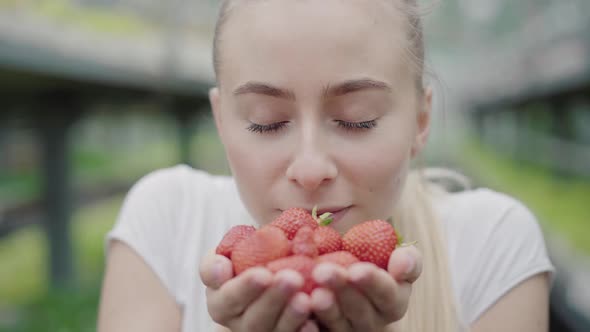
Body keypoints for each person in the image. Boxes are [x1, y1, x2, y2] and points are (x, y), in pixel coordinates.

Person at [97, 0, 555, 331]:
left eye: (358, 120)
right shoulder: (166, 221)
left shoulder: (492, 245)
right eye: (267, 123)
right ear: (222, 121)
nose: (311, 167)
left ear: (421, 120)